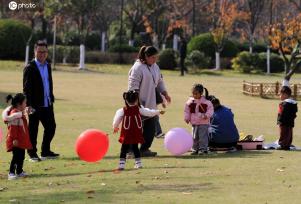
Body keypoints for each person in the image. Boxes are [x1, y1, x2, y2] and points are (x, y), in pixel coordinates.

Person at [128, 46, 171, 157]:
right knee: (135, 128)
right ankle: (131, 151)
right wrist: (136, 103)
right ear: (146, 56)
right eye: (152, 57)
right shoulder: (137, 68)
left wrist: (165, 94)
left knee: (150, 129)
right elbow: (133, 86)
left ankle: (144, 149)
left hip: (151, 104)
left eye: (156, 57)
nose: (155, 60)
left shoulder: (155, 66)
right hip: (137, 104)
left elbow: (160, 81)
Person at [23, 40, 58, 162]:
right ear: (35, 52)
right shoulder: (30, 67)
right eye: (40, 51)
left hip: (47, 103)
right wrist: (28, 105)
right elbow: (26, 89)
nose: (42, 54)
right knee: (33, 130)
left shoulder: (48, 65)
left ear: (47, 52)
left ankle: (45, 151)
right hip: (34, 104)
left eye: (44, 52)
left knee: (51, 127)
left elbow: (48, 82)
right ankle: (32, 153)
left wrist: (51, 97)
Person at [113, 90, 164, 170]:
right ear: (137, 100)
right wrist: (157, 112)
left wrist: (115, 127)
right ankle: (138, 163)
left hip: (126, 134)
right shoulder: (139, 109)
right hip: (136, 133)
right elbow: (149, 112)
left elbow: (117, 119)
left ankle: (121, 165)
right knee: (135, 148)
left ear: (126, 100)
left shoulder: (122, 110)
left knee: (124, 149)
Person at [2, 94, 32, 180]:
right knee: (16, 157)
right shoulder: (15, 115)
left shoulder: (18, 113)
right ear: (19, 104)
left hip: (20, 140)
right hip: (16, 141)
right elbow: (13, 129)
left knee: (21, 156)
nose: (26, 104)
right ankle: (11, 172)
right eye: (25, 103)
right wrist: (14, 139)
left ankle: (19, 171)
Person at [184, 84, 213, 155]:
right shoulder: (190, 102)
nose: (194, 95)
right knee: (194, 137)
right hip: (194, 123)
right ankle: (195, 149)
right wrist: (187, 118)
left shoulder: (207, 102)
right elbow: (187, 111)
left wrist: (206, 115)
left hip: (204, 123)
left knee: (202, 137)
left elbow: (210, 110)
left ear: (201, 93)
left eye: (196, 94)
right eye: (193, 93)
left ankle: (203, 149)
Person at [277, 86, 298, 150]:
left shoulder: (284, 103)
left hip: (283, 122)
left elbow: (281, 113)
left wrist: (279, 121)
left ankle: (282, 145)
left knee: (283, 133)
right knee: (289, 134)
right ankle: (287, 144)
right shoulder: (293, 103)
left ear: (285, 95)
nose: (280, 96)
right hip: (290, 122)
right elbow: (295, 113)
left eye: (281, 94)